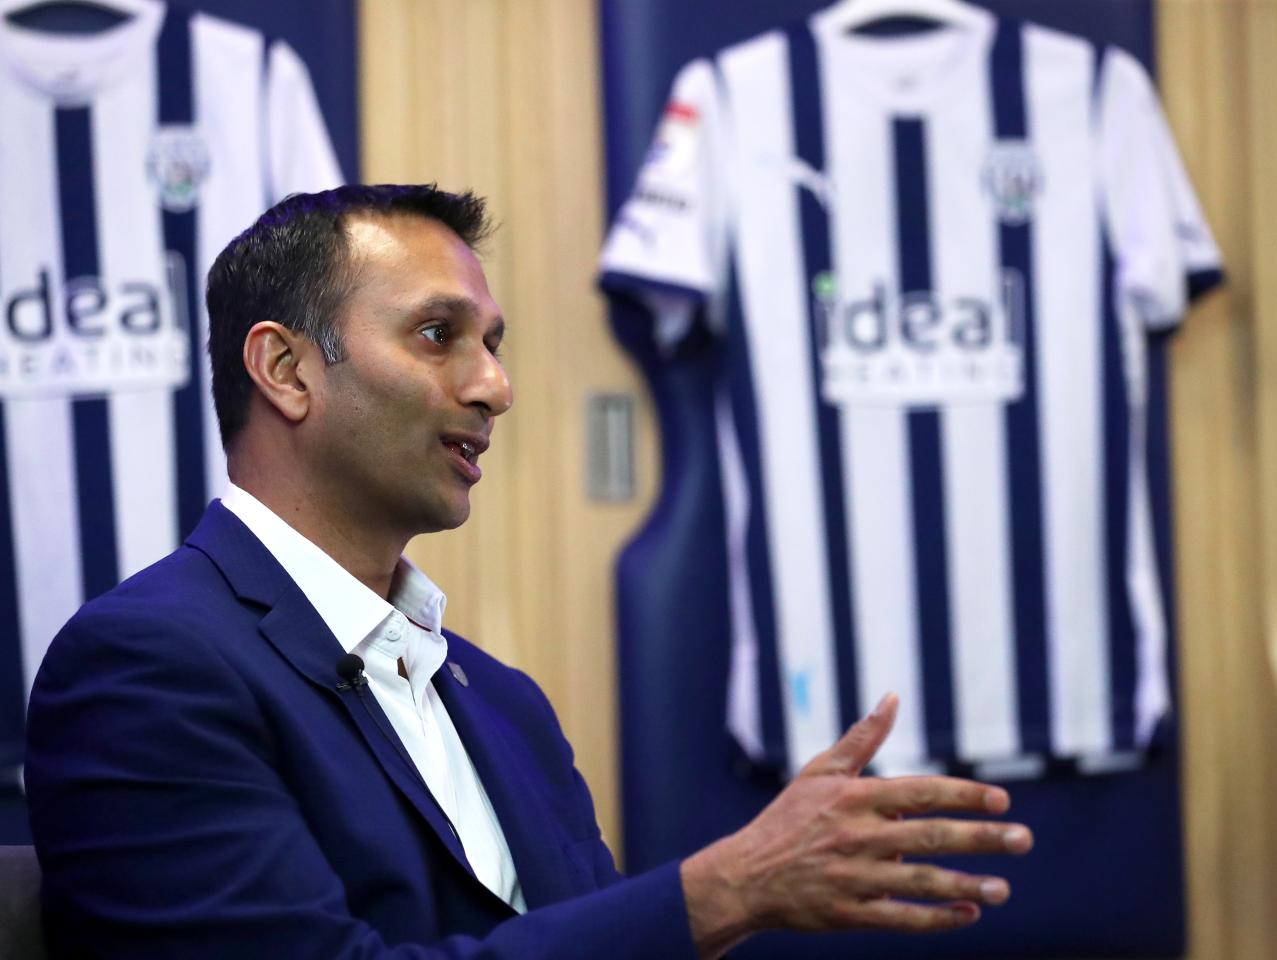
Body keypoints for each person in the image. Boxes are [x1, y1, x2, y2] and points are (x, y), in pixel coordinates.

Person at [24, 184, 1032, 959]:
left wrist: (741, 903)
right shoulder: (144, 664)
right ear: (286, 370)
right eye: (437, 336)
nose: (494, 387)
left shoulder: (504, 704)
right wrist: (723, 889)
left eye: (494, 346)